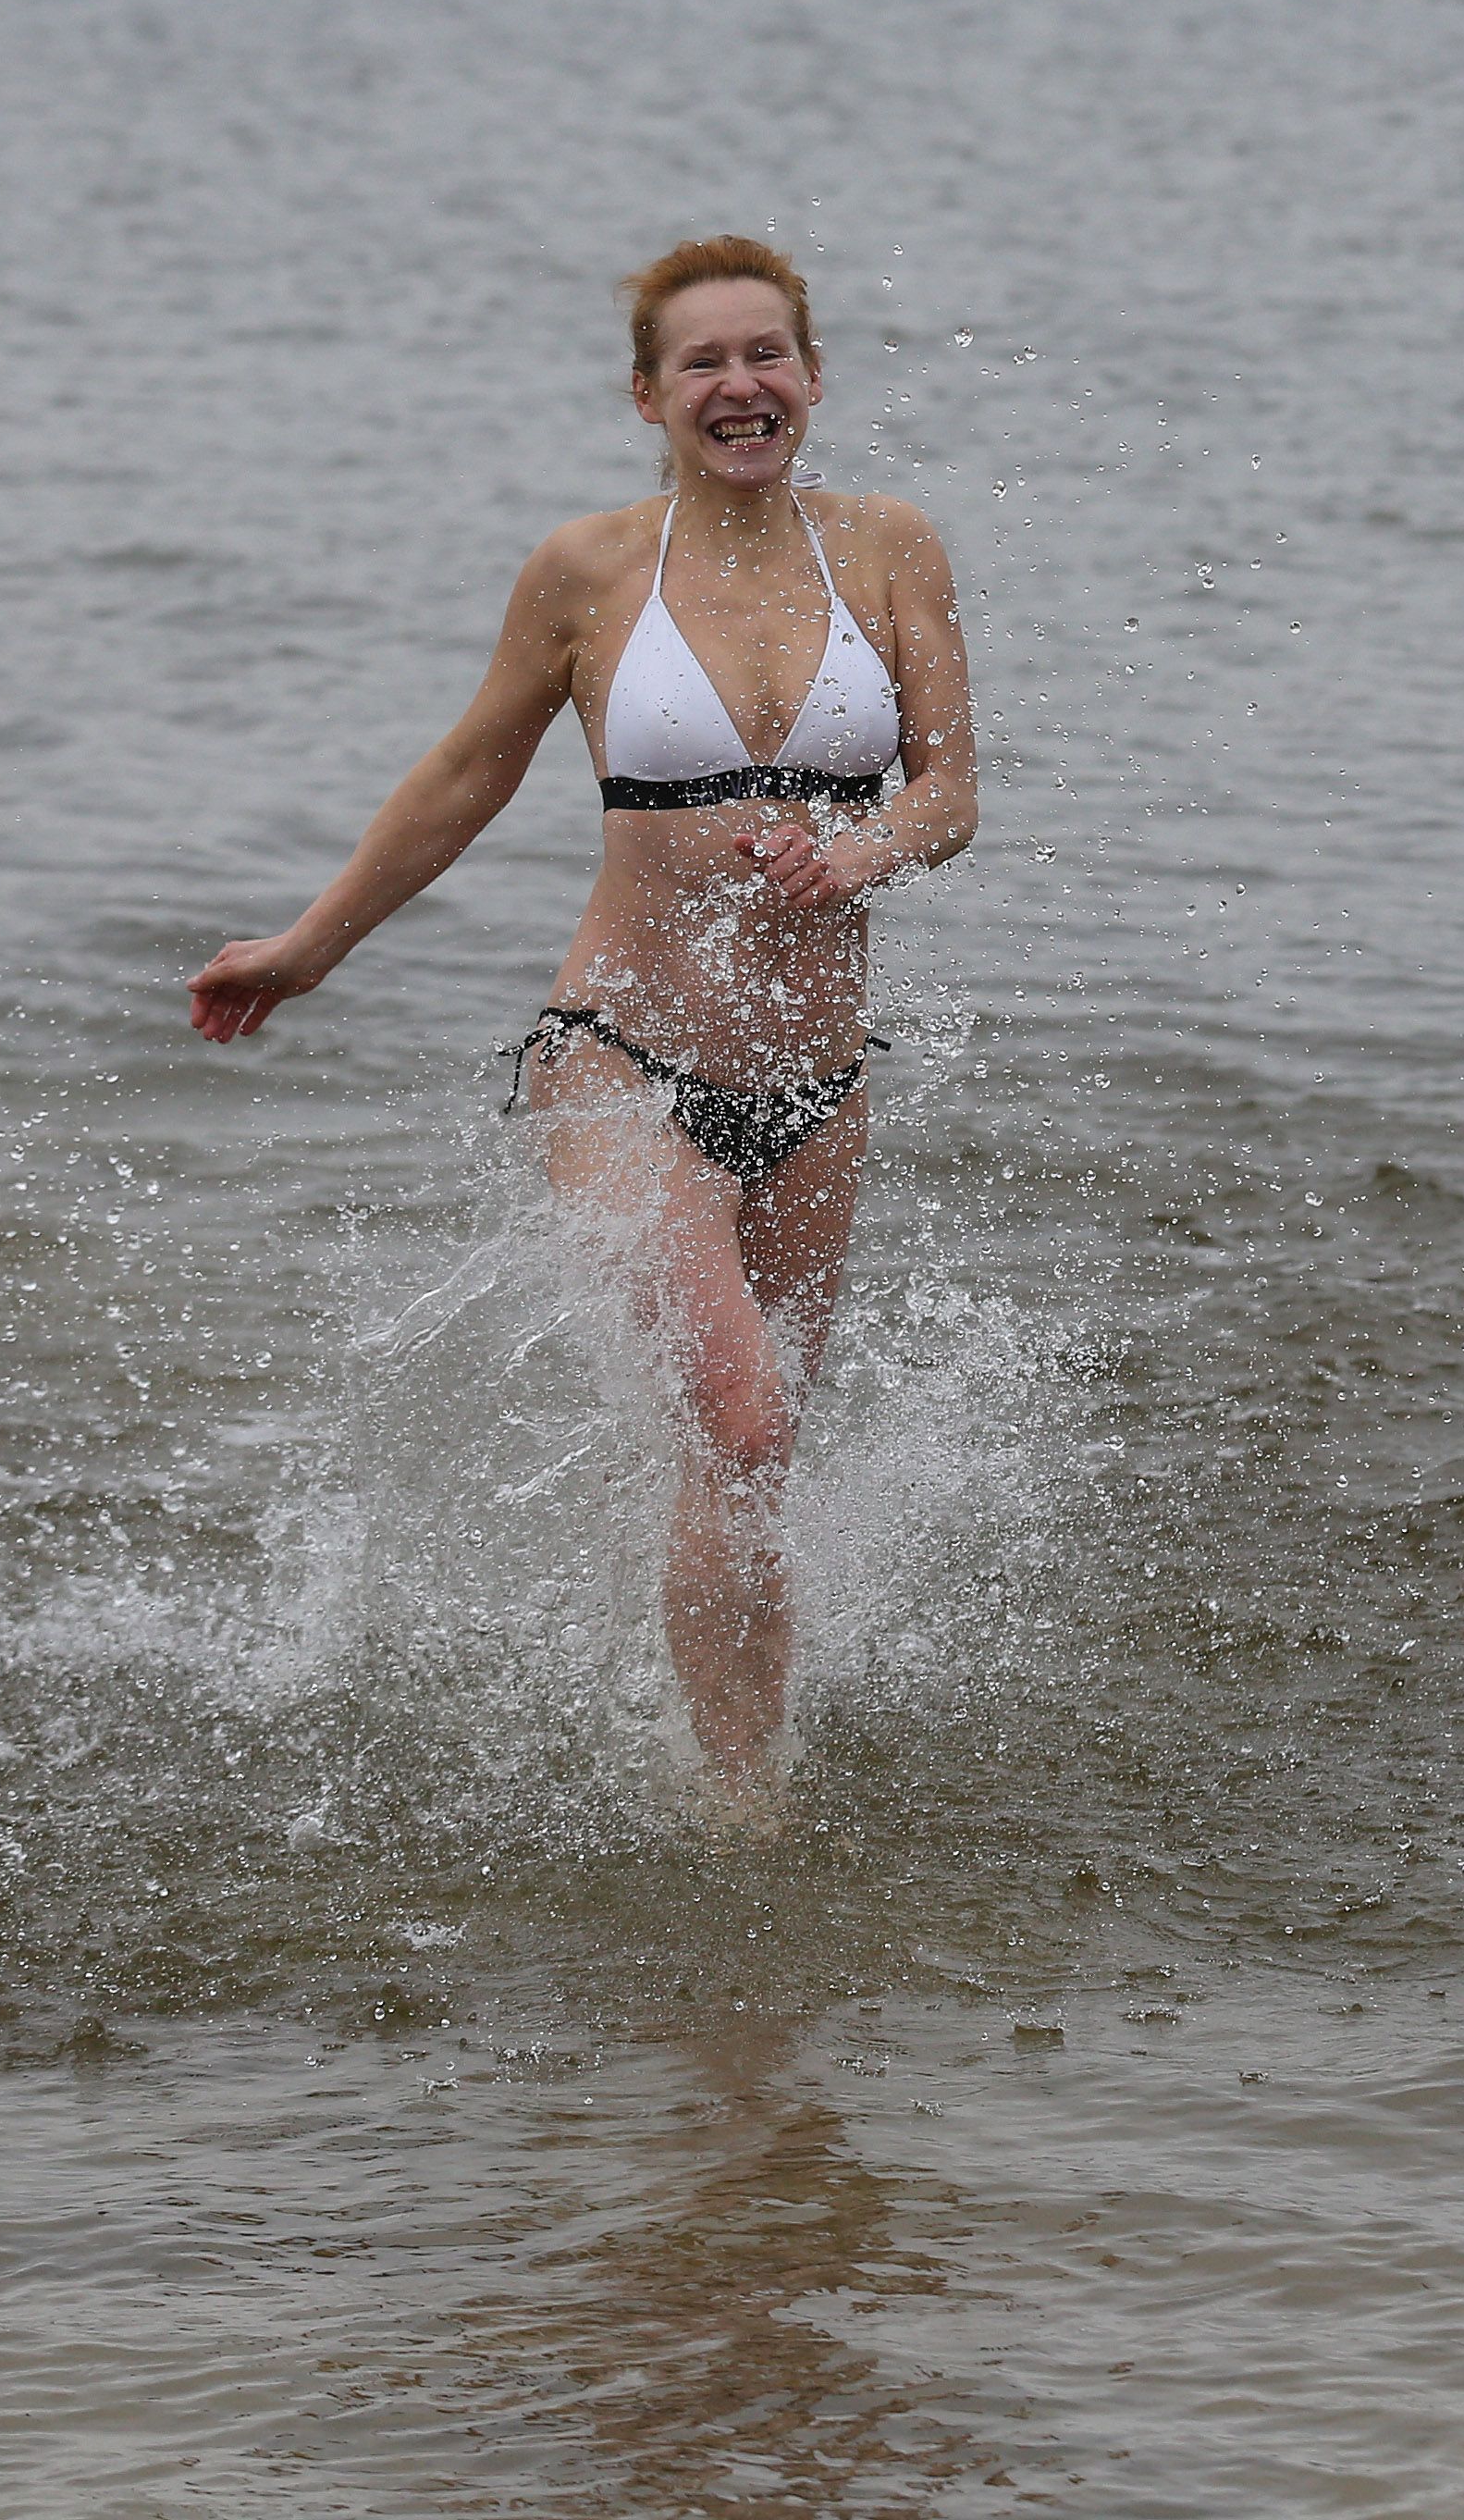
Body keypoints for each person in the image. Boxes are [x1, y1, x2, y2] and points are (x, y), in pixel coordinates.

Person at [188, 238, 979, 1824]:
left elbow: (948, 791)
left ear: (812, 379)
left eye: (767, 356)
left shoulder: (888, 549)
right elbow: (466, 774)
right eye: (702, 363)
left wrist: (858, 850)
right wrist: (310, 946)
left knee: (748, 1459)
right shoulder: (587, 573)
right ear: (646, 396)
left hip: (817, 1082)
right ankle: (738, 1815)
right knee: (740, 1412)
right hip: (619, 1058)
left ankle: (737, 1777)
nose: (739, 384)